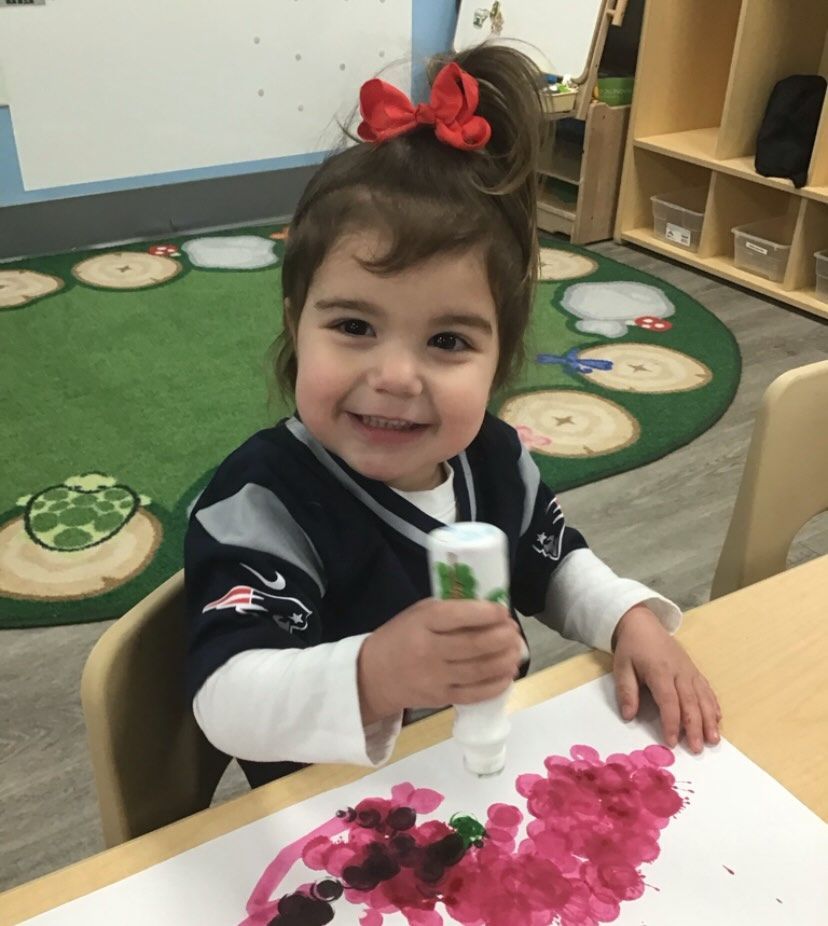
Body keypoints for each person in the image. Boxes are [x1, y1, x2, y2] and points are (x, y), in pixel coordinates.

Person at [184, 44, 721, 789]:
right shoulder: (262, 498)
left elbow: (554, 562)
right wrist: (376, 674)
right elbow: (224, 699)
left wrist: (628, 618)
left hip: (488, 784)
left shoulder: (492, 455)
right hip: (339, 819)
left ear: (499, 360)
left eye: (446, 341)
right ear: (295, 321)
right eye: (353, 327)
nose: (397, 377)